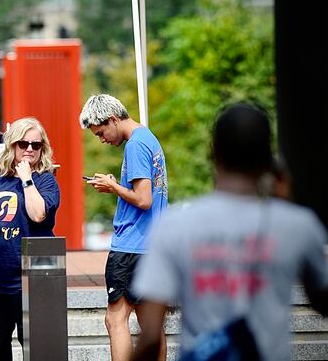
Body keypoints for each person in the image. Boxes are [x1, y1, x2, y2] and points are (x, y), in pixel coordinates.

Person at [131, 103, 328, 361]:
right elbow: (321, 300)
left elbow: (150, 336)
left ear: (214, 151)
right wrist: (286, 198)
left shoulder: (175, 224)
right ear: (269, 156)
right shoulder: (298, 225)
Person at [0, 117, 60, 361]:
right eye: (23, 144)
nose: (29, 149)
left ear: (42, 148)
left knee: (34, 347)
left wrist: (26, 179)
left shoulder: (46, 180)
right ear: (12, 146)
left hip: (30, 281)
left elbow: (38, 214)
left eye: (35, 145)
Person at [78, 94, 168, 361]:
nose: (102, 139)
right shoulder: (148, 138)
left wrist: (113, 187)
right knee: (150, 325)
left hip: (131, 246)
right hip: (153, 245)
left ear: (113, 119)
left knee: (115, 319)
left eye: (101, 132)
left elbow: (143, 199)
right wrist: (119, 186)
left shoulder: (135, 145)